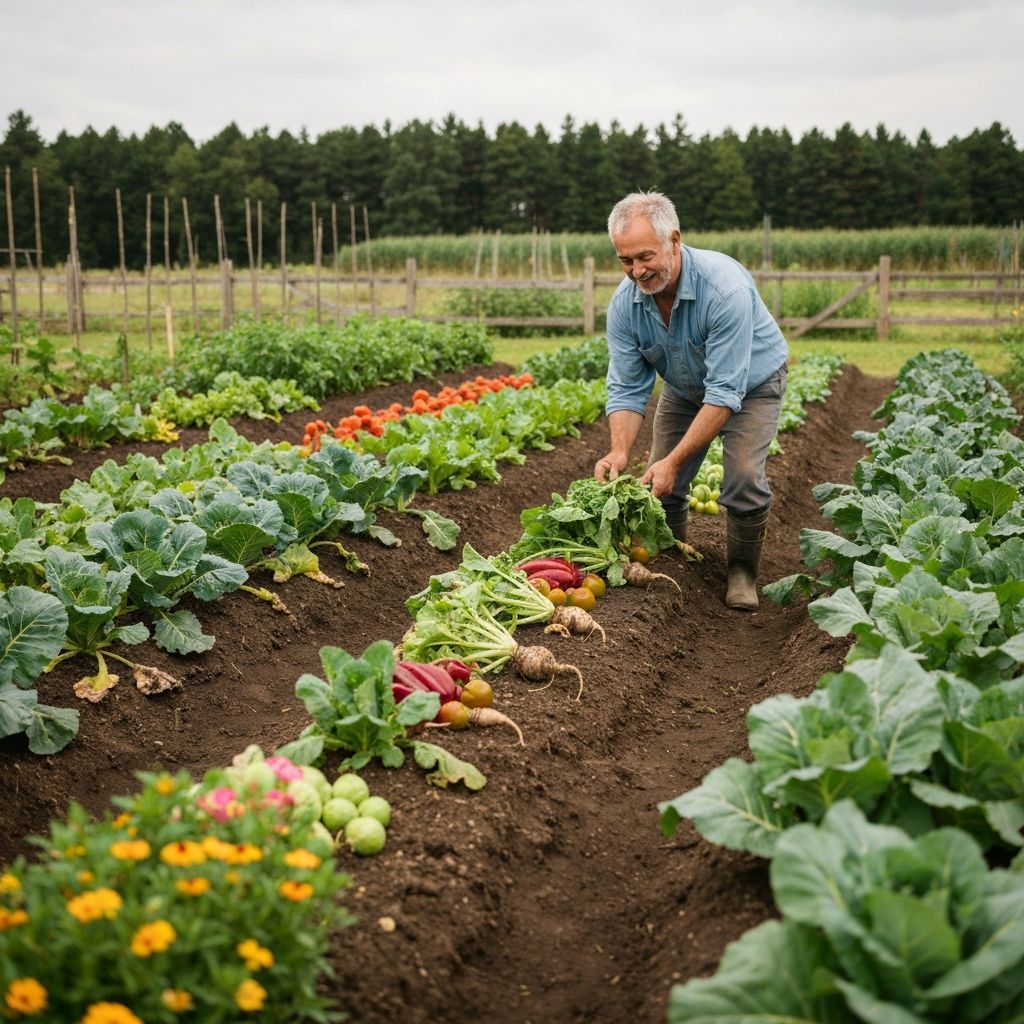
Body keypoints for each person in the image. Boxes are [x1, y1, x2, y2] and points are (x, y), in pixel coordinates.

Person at [593, 191, 789, 610]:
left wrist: (674, 461)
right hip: (685, 387)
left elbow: (725, 393)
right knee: (660, 484)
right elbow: (627, 388)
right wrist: (619, 450)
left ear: (674, 240)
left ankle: (742, 572)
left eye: (645, 257)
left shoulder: (724, 289)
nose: (637, 271)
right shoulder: (625, 306)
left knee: (742, 477)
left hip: (752, 385)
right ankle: (674, 560)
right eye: (625, 261)